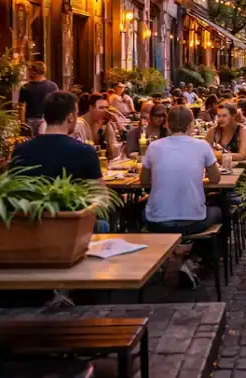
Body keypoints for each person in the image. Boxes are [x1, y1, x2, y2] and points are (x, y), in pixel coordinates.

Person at [140, 105, 222, 288]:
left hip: (157, 222)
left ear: (167, 124)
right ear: (191, 124)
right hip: (193, 222)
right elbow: (216, 178)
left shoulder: (154, 147)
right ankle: (197, 260)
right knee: (218, 209)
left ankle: (152, 260)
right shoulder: (202, 146)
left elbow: (144, 181)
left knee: (136, 210)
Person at [11, 92, 102, 181]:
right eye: (76, 114)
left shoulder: (20, 151)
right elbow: (99, 193)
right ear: (70, 117)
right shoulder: (86, 152)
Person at [73, 93, 121, 159]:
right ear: (91, 108)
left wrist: (117, 122)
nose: (105, 111)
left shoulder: (103, 124)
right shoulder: (80, 125)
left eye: (106, 107)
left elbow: (113, 152)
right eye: (101, 108)